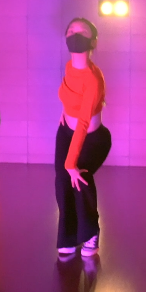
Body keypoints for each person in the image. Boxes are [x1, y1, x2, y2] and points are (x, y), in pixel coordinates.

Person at [55, 18, 112, 259]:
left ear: (93, 42)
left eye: (82, 31)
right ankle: (68, 236)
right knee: (62, 182)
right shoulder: (69, 67)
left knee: (80, 179)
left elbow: (84, 122)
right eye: (71, 30)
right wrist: (65, 112)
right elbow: (68, 94)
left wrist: (71, 163)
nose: (75, 33)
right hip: (66, 132)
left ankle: (90, 232)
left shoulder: (93, 78)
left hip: (92, 139)